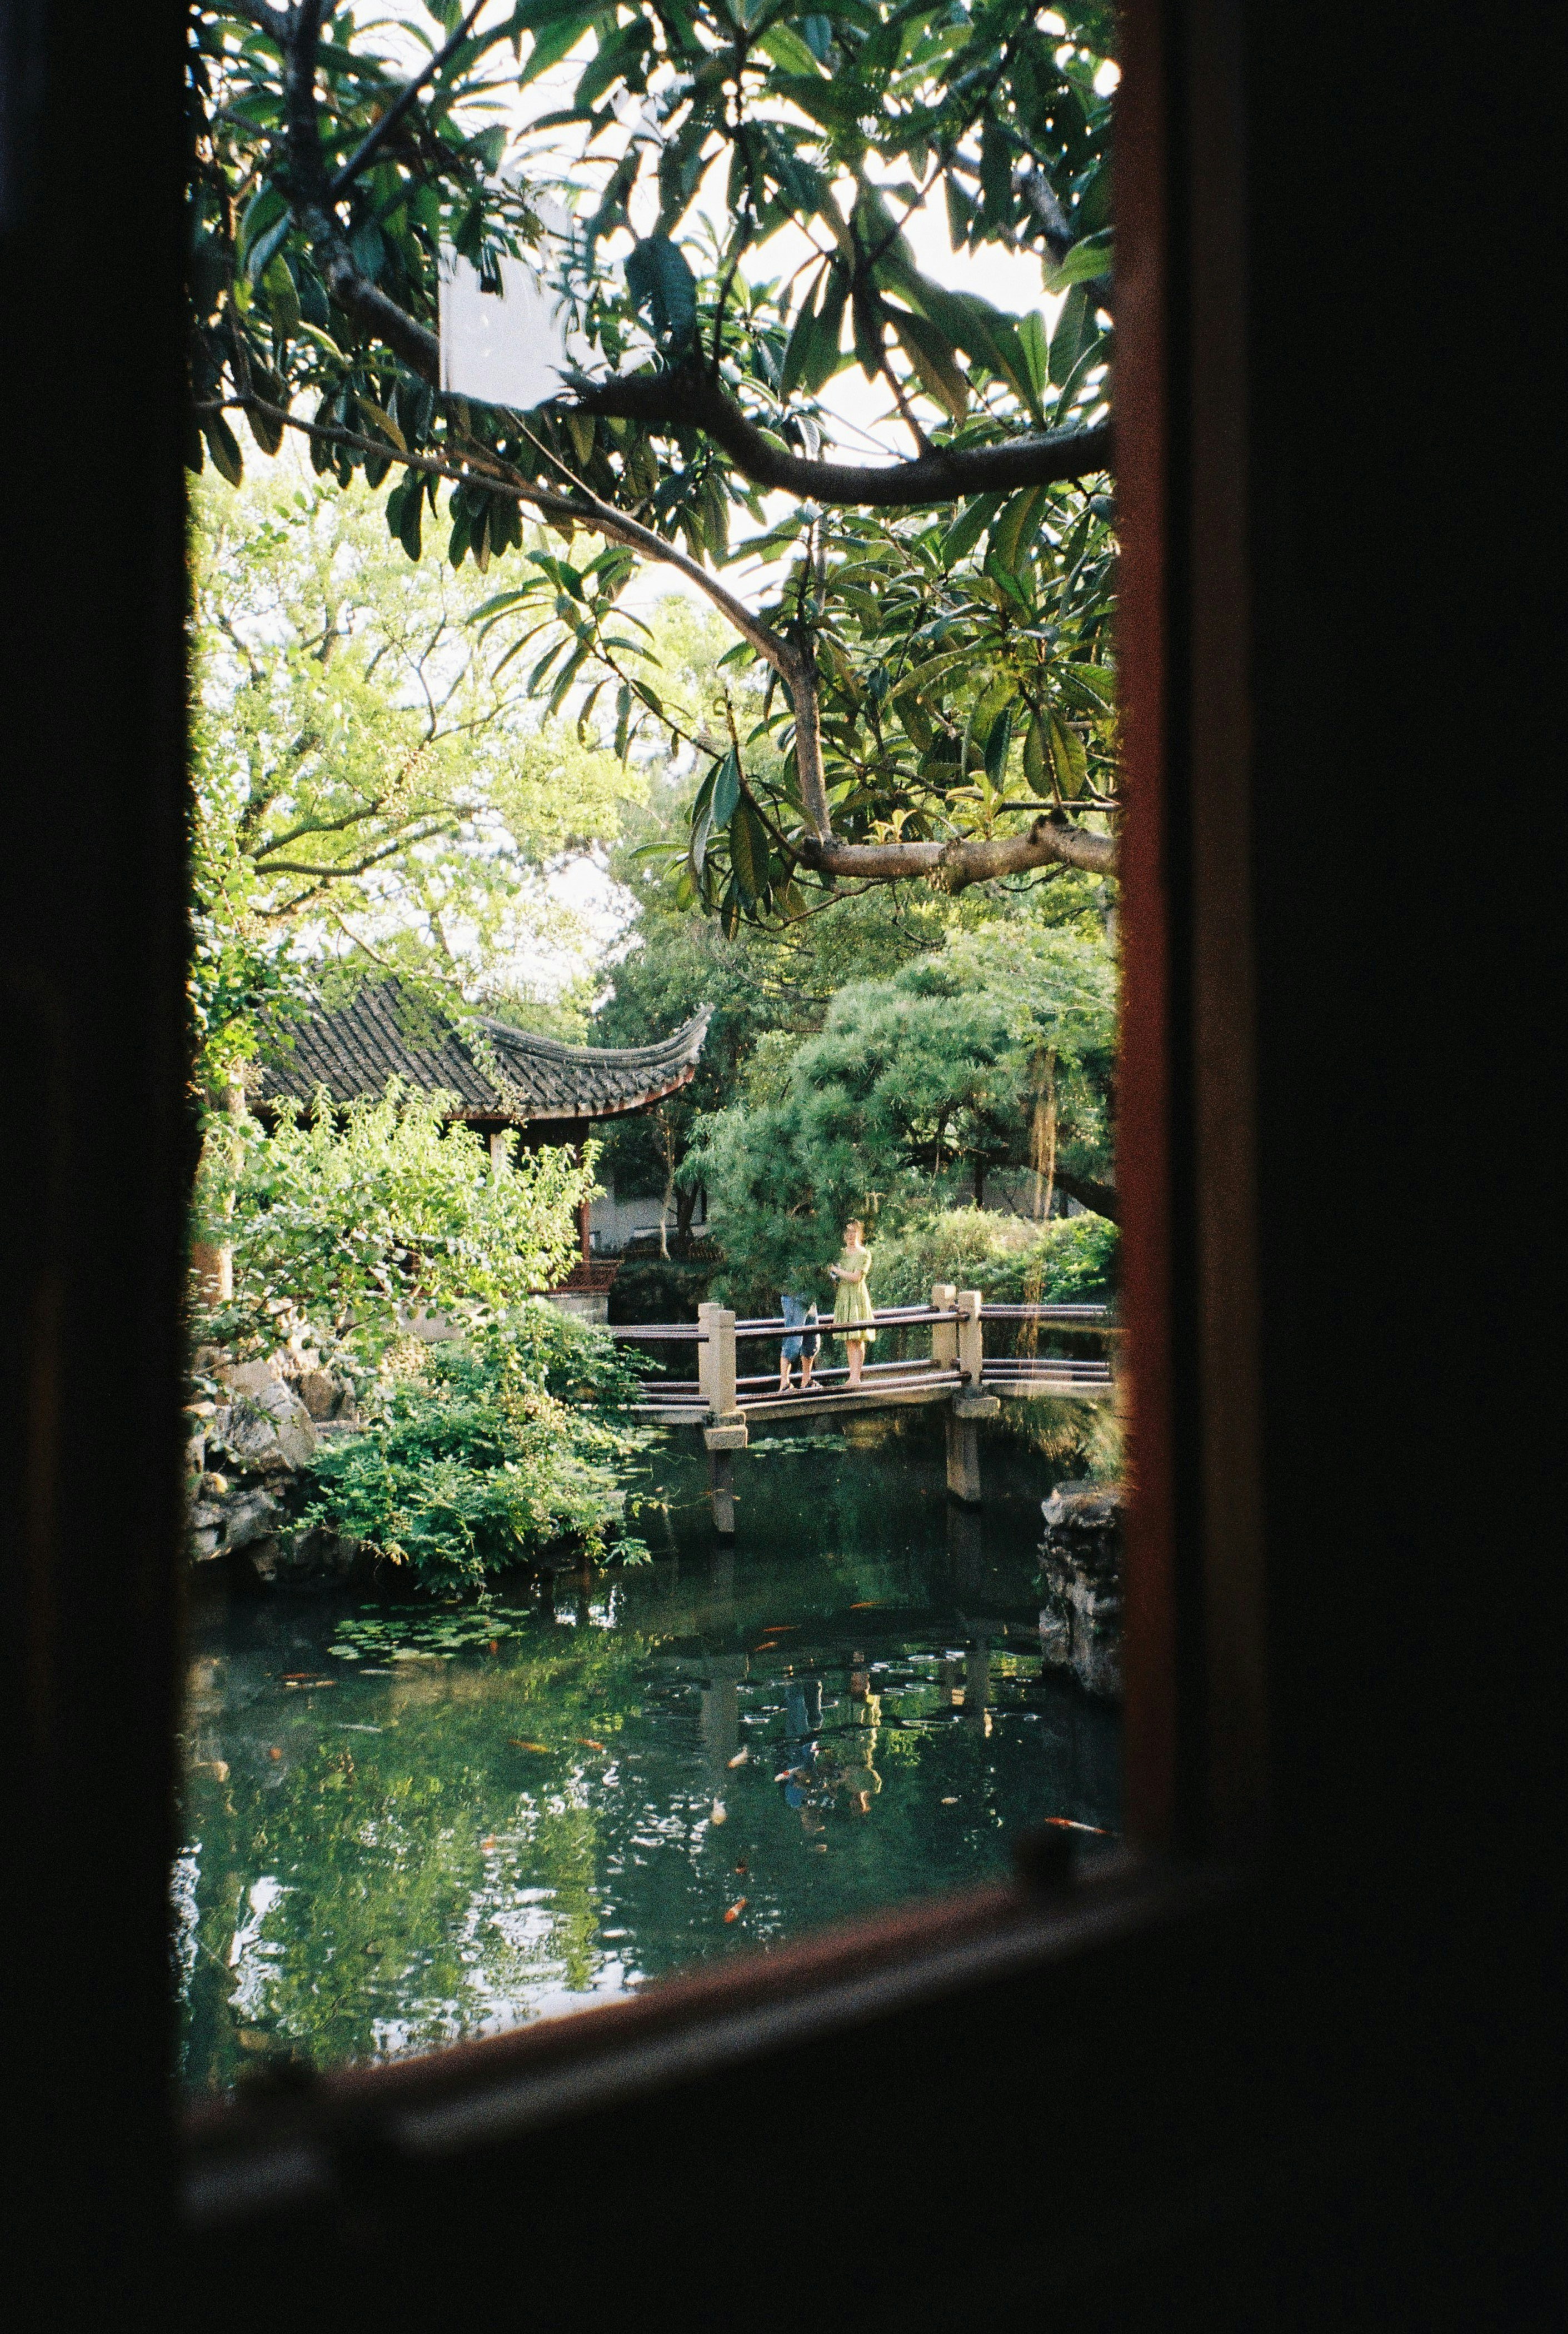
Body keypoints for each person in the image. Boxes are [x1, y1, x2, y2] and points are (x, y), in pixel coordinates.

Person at [829, 1218, 876, 1390]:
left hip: (857, 1297)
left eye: (853, 1232)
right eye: (848, 1232)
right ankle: (852, 1376)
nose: (850, 1236)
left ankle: (857, 1377)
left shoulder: (864, 1254)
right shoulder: (840, 1254)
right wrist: (832, 1274)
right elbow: (835, 1278)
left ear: (859, 1233)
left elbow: (856, 1277)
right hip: (844, 1296)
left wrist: (837, 1271)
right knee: (849, 1339)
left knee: (857, 1337)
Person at [778, 1290, 821, 1394]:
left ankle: (806, 1381)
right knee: (792, 1343)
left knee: (812, 1342)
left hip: (810, 1297)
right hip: (794, 1297)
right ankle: (784, 1384)